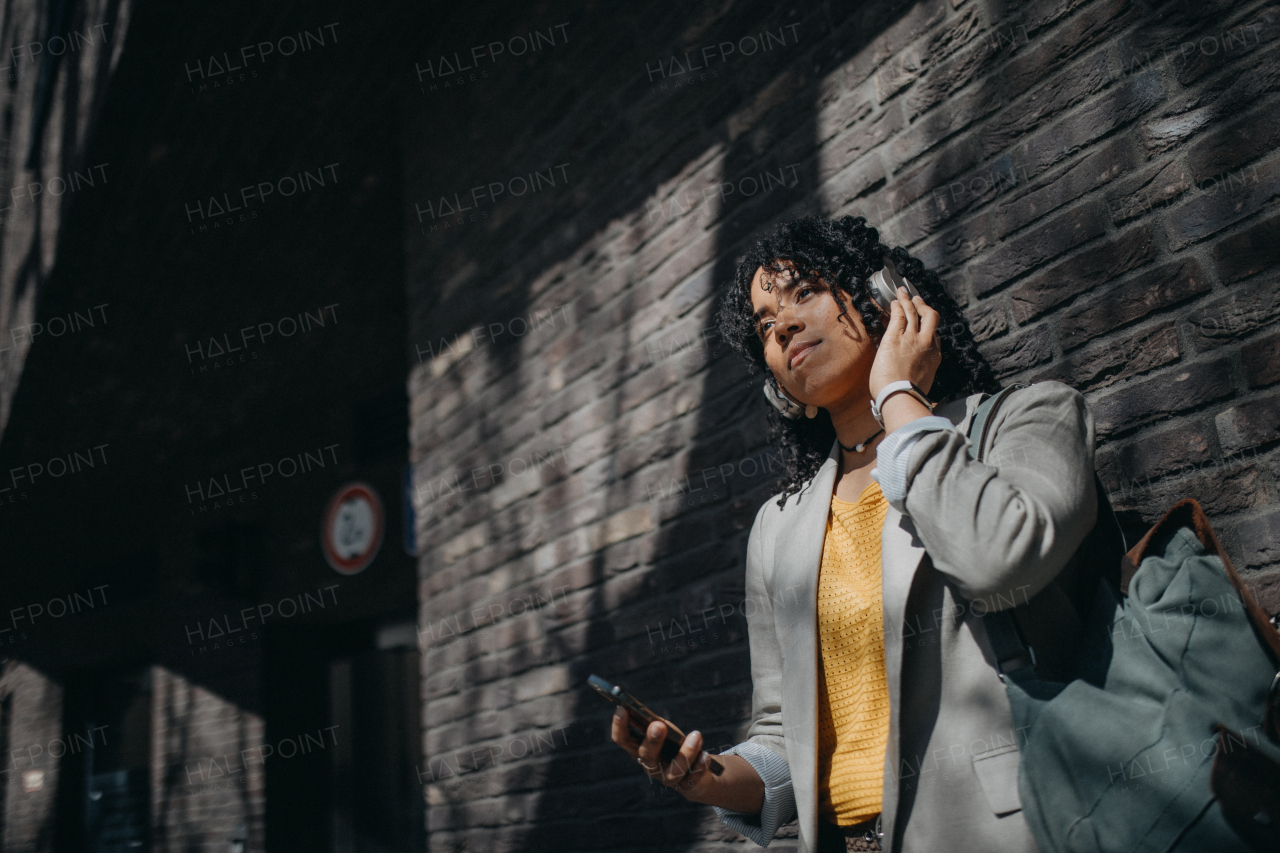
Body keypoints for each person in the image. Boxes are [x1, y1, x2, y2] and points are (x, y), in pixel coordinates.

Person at [609, 215, 1098, 853]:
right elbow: (785, 740)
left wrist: (897, 392)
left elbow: (998, 560)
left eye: (804, 292)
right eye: (763, 324)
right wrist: (704, 778)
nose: (780, 325)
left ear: (886, 299)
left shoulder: (1025, 420)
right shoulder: (779, 528)